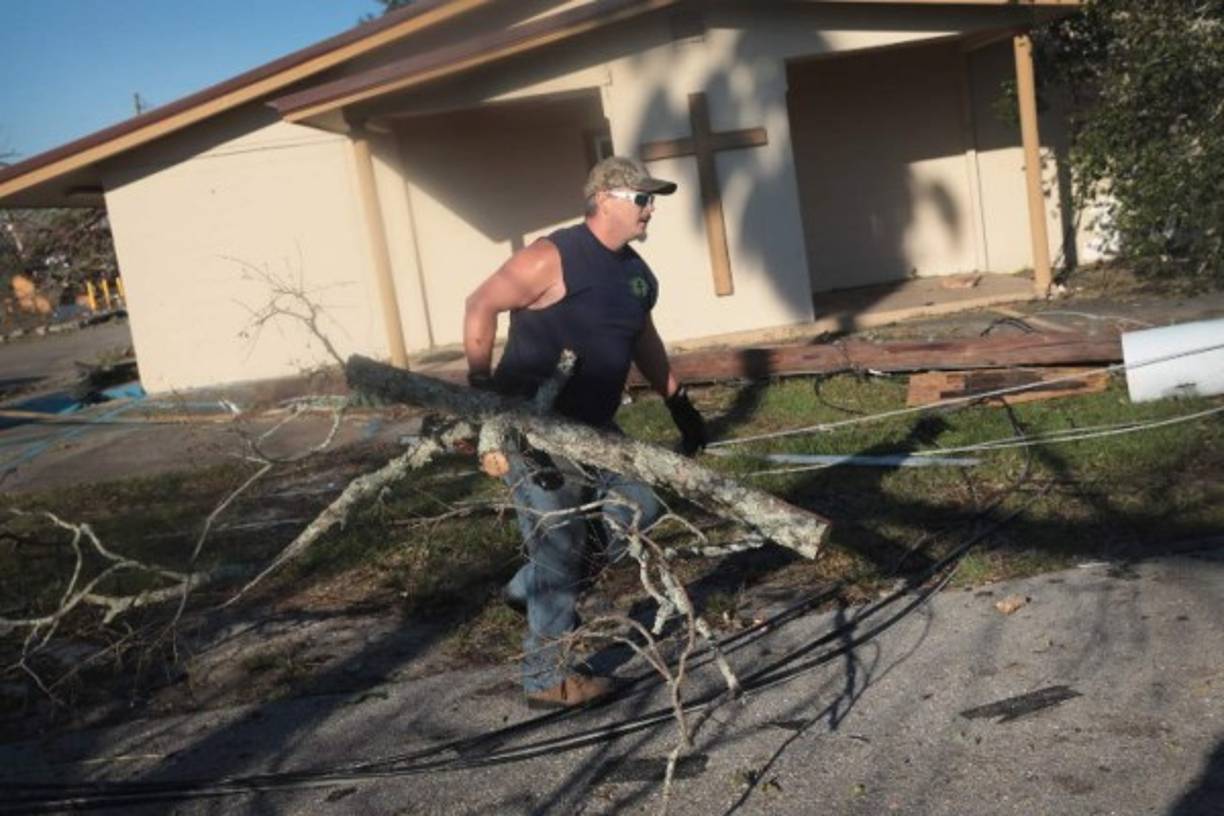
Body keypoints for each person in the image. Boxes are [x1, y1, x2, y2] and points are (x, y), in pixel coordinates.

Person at [462, 156, 708, 709]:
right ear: (604, 199)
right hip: (536, 428)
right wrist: (481, 389)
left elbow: (644, 342)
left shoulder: (637, 274)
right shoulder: (554, 256)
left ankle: (529, 588)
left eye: (652, 200)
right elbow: (480, 305)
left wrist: (680, 405)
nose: (651, 209)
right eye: (641, 198)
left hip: (596, 428)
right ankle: (546, 678)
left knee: (640, 507)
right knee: (561, 542)